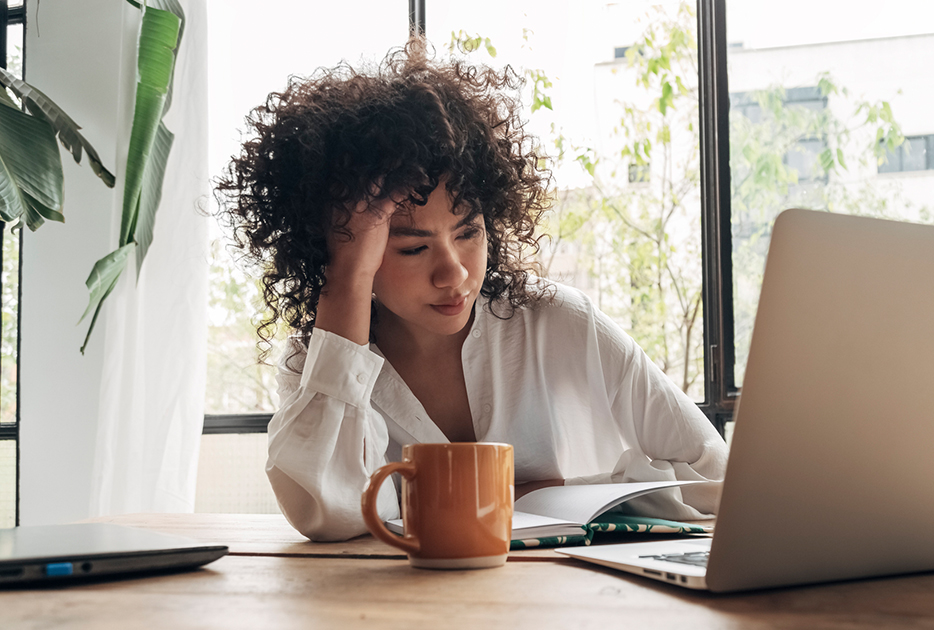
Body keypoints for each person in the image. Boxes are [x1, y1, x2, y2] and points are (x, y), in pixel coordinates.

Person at [215, 40, 727, 542]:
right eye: (413, 249)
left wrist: (539, 493)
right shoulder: (316, 364)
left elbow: (716, 475)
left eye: (468, 233)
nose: (454, 274)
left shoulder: (559, 323)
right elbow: (326, 513)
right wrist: (346, 276)